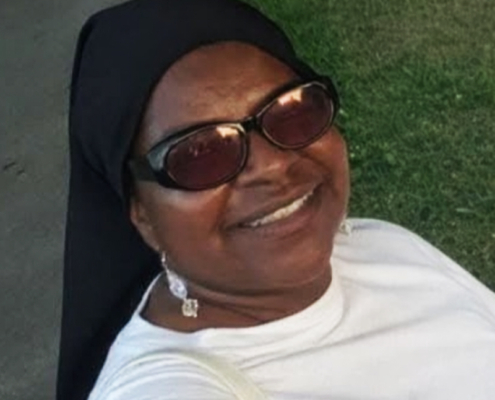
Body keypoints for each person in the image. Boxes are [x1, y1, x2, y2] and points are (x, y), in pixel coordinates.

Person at [57, 0, 495, 399]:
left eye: (293, 110)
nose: (270, 165)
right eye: (201, 153)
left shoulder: (383, 244)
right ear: (143, 216)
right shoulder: (165, 385)